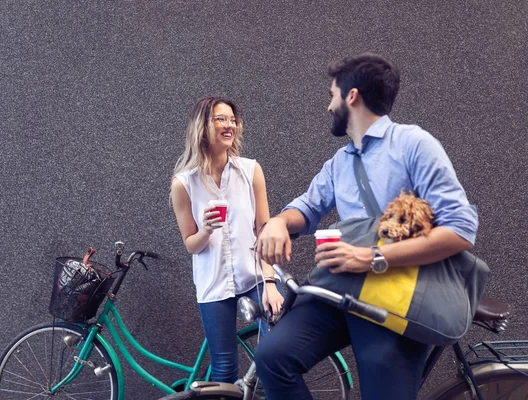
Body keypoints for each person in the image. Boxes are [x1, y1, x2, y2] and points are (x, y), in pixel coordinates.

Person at [253, 52, 478, 399]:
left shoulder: (413, 144)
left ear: (351, 96)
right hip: (341, 289)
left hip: (397, 295)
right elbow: (309, 207)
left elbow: (461, 229)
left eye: (332, 95)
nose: (329, 106)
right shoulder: (340, 162)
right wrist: (279, 222)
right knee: (272, 357)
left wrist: (371, 257)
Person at [171, 95, 284, 384]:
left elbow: (264, 231)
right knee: (223, 369)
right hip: (214, 283)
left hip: (256, 277)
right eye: (220, 119)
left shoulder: (250, 171)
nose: (229, 125)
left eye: (232, 119)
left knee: (275, 357)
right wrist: (206, 230)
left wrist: (270, 282)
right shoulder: (184, 184)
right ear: (202, 127)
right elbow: (190, 245)